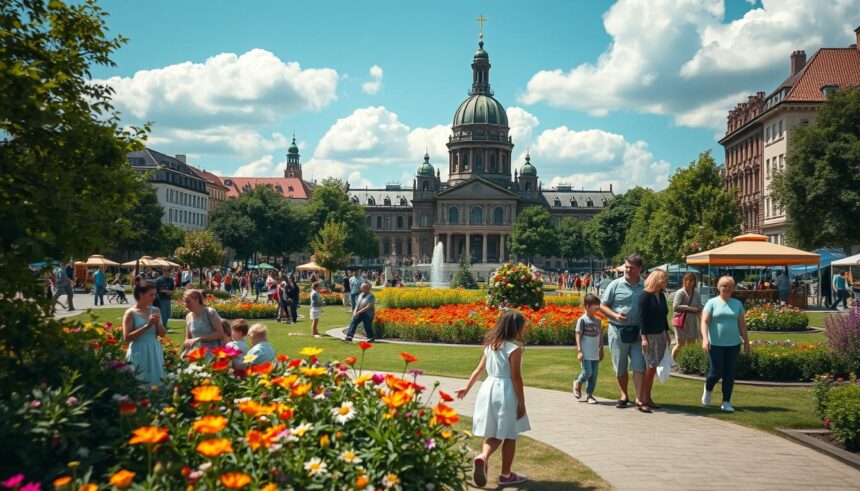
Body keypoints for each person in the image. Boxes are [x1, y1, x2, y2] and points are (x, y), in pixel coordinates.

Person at [455, 310, 530, 487]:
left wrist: (466, 388)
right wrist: (522, 402)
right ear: (517, 329)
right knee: (510, 434)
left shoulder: (491, 346)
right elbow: (516, 377)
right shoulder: (514, 349)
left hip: (488, 389)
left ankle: (483, 456)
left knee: (494, 431)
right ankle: (505, 474)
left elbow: (479, 370)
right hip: (506, 391)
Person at [600, 254, 646, 409]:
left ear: (639, 269)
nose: (627, 270)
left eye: (631, 268)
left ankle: (639, 399)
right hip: (617, 331)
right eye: (626, 267)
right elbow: (603, 306)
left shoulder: (645, 287)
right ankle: (624, 394)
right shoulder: (615, 285)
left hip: (638, 333)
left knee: (639, 365)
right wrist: (615, 316)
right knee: (620, 366)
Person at [700, 276, 750, 413]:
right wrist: (705, 339)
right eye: (724, 286)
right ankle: (708, 388)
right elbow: (704, 322)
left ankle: (726, 402)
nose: (727, 288)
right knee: (716, 372)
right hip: (715, 344)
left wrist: (746, 341)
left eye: (729, 286)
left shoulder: (737, 304)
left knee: (729, 374)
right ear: (718, 287)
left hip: (733, 344)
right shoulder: (711, 303)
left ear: (733, 288)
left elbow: (742, 325)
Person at [637, 269, 671, 413]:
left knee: (653, 368)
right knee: (649, 368)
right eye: (664, 279)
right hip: (649, 336)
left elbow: (663, 316)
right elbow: (642, 319)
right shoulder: (645, 296)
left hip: (660, 335)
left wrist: (667, 332)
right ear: (656, 280)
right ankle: (643, 399)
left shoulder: (661, 296)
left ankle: (648, 398)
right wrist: (644, 338)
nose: (665, 282)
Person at [122, 280, 166, 387]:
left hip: (154, 349)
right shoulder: (130, 313)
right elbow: (127, 338)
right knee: (139, 381)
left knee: (156, 381)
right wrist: (147, 326)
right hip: (138, 350)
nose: (154, 297)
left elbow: (162, 334)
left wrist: (157, 324)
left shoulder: (155, 310)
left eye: (155, 294)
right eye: (151, 295)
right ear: (141, 294)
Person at [573, 294, 604, 405]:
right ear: (587, 306)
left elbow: (600, 335)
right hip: (586, 353)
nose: (596, 311)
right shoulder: (582, 320)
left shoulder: (598, 321)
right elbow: (578, 335)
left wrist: (601, 349)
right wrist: (580, 351)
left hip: (595, 353)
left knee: (594, 375)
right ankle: (578, 383)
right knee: (587, 372)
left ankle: (589, 394)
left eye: (597, 308)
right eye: (595, 308)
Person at [672, 272, 703, 359]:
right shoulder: (680, 292)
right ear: (684, 281)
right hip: (681, 322)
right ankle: (672, 361)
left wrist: (701, 311)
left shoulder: (696, 293)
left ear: (694, 282)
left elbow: (699, 306)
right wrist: (690, 308)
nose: (689, 282)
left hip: (692, 321)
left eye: (691, 280)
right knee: (680, 343)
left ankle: (689, 362)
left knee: (692, 343)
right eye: (687, 280)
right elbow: (675, 306)